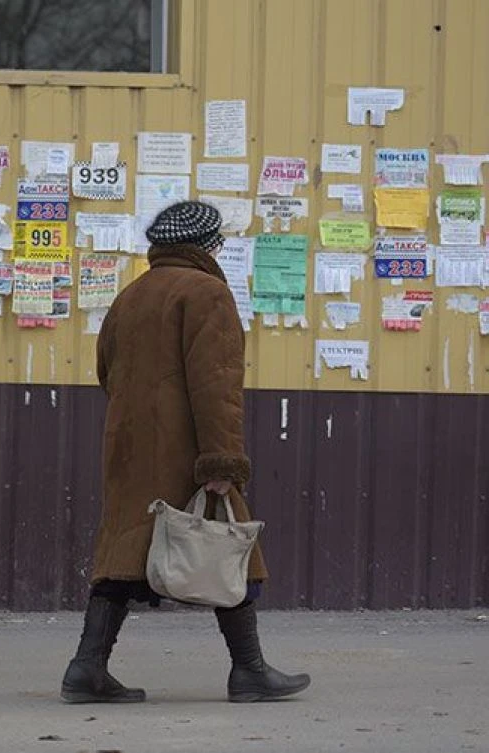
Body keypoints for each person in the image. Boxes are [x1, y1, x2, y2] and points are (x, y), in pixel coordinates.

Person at [61, 201, 310, 704]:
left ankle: (86, 669)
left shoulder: (129, 296)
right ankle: (250, 670)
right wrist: (221, 462)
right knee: (229, 549)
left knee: (123, 556)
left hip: (131, 449)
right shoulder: (208, 293)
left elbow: (106, 373)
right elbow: (216, 386)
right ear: (207, 245)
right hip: (187, 452)